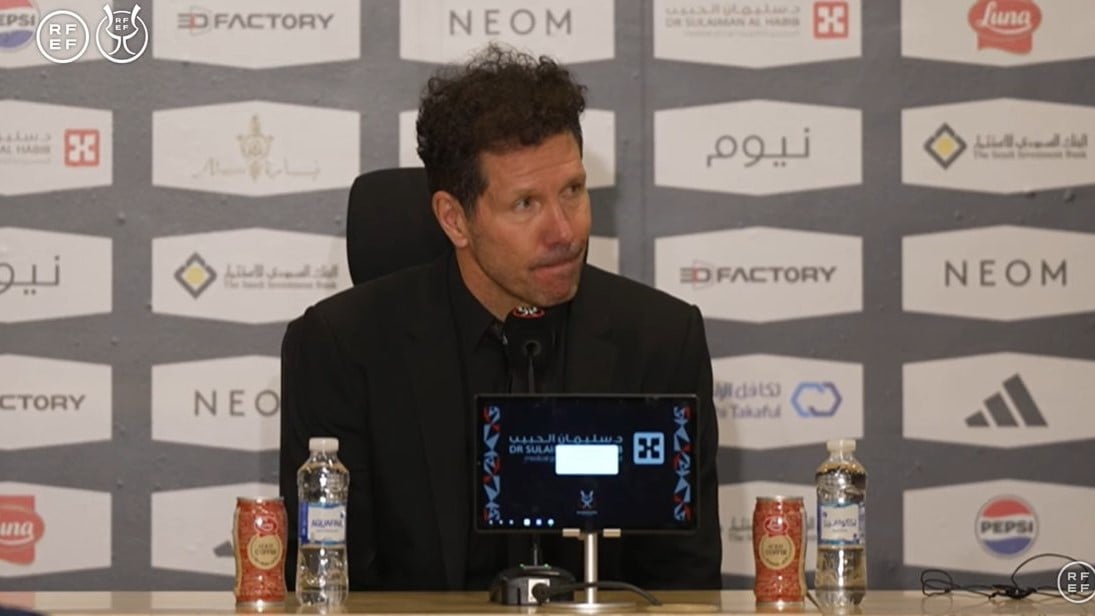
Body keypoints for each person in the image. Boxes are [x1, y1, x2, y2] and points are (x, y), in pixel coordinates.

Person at [279, 43, 721, 592]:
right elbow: (331, 587)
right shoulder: (342, 349)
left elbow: (683, 588)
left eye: (573, 191)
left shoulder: (660, 341)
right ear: (454, 219)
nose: (565, 231)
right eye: (525, 204)